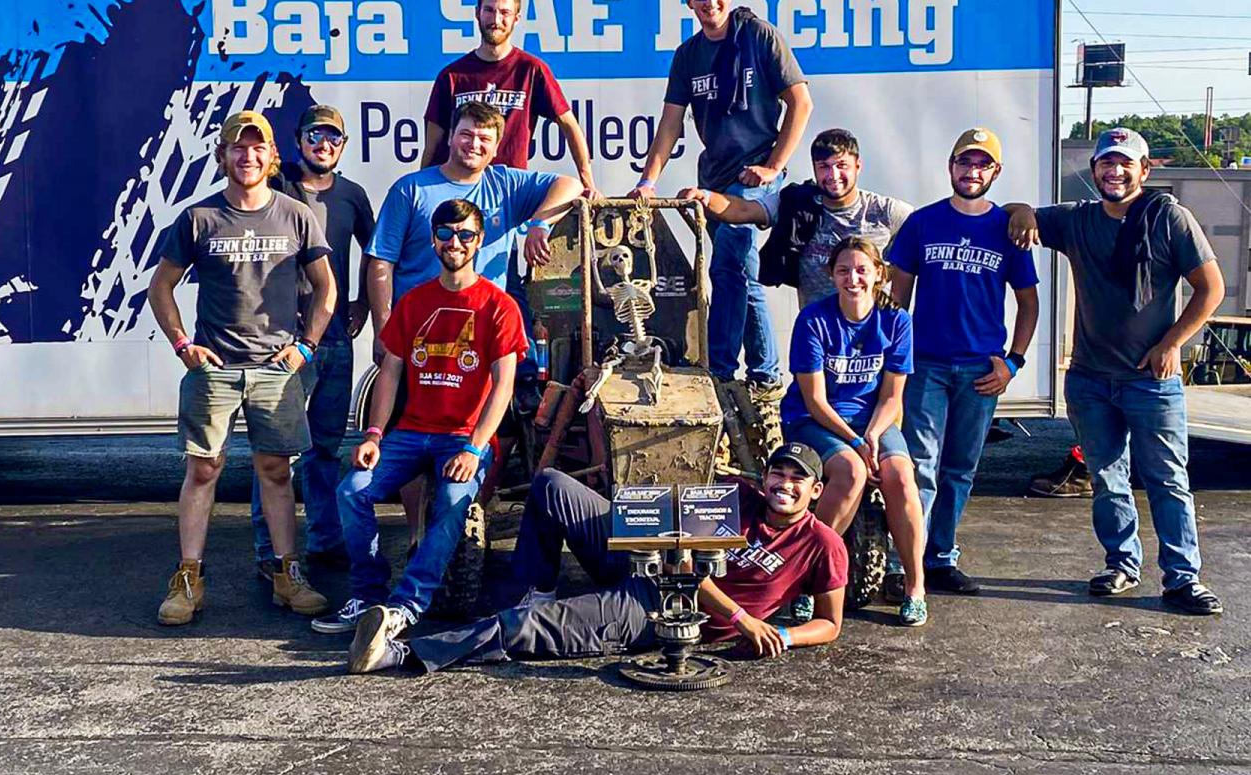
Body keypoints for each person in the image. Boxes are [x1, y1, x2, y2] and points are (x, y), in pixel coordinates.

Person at [345, 442, 846, 674]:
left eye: (797, 479)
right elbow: (685, 561)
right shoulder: (738, 498)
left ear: (816, 490)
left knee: (529, 628)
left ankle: (403, 654)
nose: (784, 485)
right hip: (650, 562)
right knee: (551, 485)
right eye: (778, 474)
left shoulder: (822, 545)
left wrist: (780, 633)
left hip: (661, 608)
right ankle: (534, 590)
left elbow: (830, 624)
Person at [1008, 127, 1226, 615]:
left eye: (1126, 163)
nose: (1115, 171)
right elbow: (1018, 214)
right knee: (1107, 478)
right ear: (1094, 171)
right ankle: (1122, 564)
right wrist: (1020, 211)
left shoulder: (1169, 218)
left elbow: (1210, 287)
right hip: (1090, 379)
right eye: (1107, 162)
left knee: (1167, 480)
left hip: (1151, 380)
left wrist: (1172, 343)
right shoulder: (1077, 220)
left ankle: (1183, 578)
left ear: (1144, 171)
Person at [148, 109, 337, 623]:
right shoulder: (199, 218)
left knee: (275, 471)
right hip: (215, 368)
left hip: (277, 369)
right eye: (238, 147)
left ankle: (287, 575)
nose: (248, 156)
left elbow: (326, 288)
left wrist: (306, 346)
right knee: (203, 469)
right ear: (223, 155)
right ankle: (188, 579)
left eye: (257, 147)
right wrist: (183, 345)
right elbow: (161, 287)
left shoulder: (296, 215)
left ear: (272, 155)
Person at [329, 199, 528, 666]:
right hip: (409, 433)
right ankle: (368, 595)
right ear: (433, 240)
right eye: (446, 233)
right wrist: (374, 435)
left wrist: (474, 448)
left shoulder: (499, 306)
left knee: (455, 499)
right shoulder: (415, 302)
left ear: (479, 241)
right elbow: (390, 373)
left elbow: (503, 387)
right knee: (352, 490)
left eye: (465, 235)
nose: (455, 242)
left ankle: (405, 606)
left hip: (463, 437)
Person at [631, 0, 813, 387]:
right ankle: (760, 376)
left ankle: (726, 372)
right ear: (689, 1)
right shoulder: (688, 55)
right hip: (714, 177)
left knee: (729, 261)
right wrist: (648, 181)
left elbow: (800, 103)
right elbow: (670, 124)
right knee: (739, 273)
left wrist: (773, 166)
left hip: (753, 176)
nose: (711, 2)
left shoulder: (758, 35)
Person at [885, 127, 1040, 596]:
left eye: (982, 164)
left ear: (996, 172)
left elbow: (1029, 303)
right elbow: (897, 299)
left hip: (981, 371)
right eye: (964, 162)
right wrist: (893, 360)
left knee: (960, 468)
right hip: (926, 366)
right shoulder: (922, 223)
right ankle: (903, 563)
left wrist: (1014, 362)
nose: (972, 171)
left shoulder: (1007, 229)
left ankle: (940, 558)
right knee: (920, 465)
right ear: (950, 166)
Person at [246, 104, 375, 581]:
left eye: (333, 138)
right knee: (274, 451)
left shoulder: (352, 195)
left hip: (335, 338)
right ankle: (269, 550)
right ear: (298, 140)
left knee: (325, 450)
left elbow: (376, 251)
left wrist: (364, 301)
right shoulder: (276, 188)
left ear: (343, 146)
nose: (324, 145)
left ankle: (324, 540)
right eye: (315, 135)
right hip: (281, 342)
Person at [778, 237, 929, 626]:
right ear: (832, 275)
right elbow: (815, 401)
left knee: (901, 476)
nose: (853, 278)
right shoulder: (814, 320)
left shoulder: (896, 320)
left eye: (862, 270)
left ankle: (915, 586)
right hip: (815, 420)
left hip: (872, 420)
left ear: (879, 274)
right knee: (850, 471)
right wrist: (857, 442)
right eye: (843, 270)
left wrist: (873, 435)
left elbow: (892, 397)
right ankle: (807, 579)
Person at [368, 100, 583, 341]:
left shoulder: (506, 185)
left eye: (484, 139)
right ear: (450, 136)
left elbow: (571, 185)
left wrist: (539, 224)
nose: (474, 144)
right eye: (466, 135)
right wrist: (383, 332)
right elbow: (381, 262)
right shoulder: (410, 189)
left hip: (483, 333)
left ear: (496, 148)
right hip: (420, 331)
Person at [680, 127, 912, 310]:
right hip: (818, 334)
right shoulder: (798, 204)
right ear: (814, 169)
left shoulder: (887, 212)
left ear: (858, 166)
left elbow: (922, 245)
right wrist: (705, 197)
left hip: (872, 338)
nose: (833, 175)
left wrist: (895, 307)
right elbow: (742, 210)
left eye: (842, 166)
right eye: (824, 167)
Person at [422, 0, 598, 196]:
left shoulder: (531, 70)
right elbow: (432, 144)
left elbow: (569, 124)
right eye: (489, 10)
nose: (496, 20)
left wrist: (588, 183)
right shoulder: (452, 76)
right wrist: (423, 193)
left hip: (508, 192)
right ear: (477, 13)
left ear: (517, 18)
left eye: (504, 12)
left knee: (565, 190)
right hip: (456, 188)